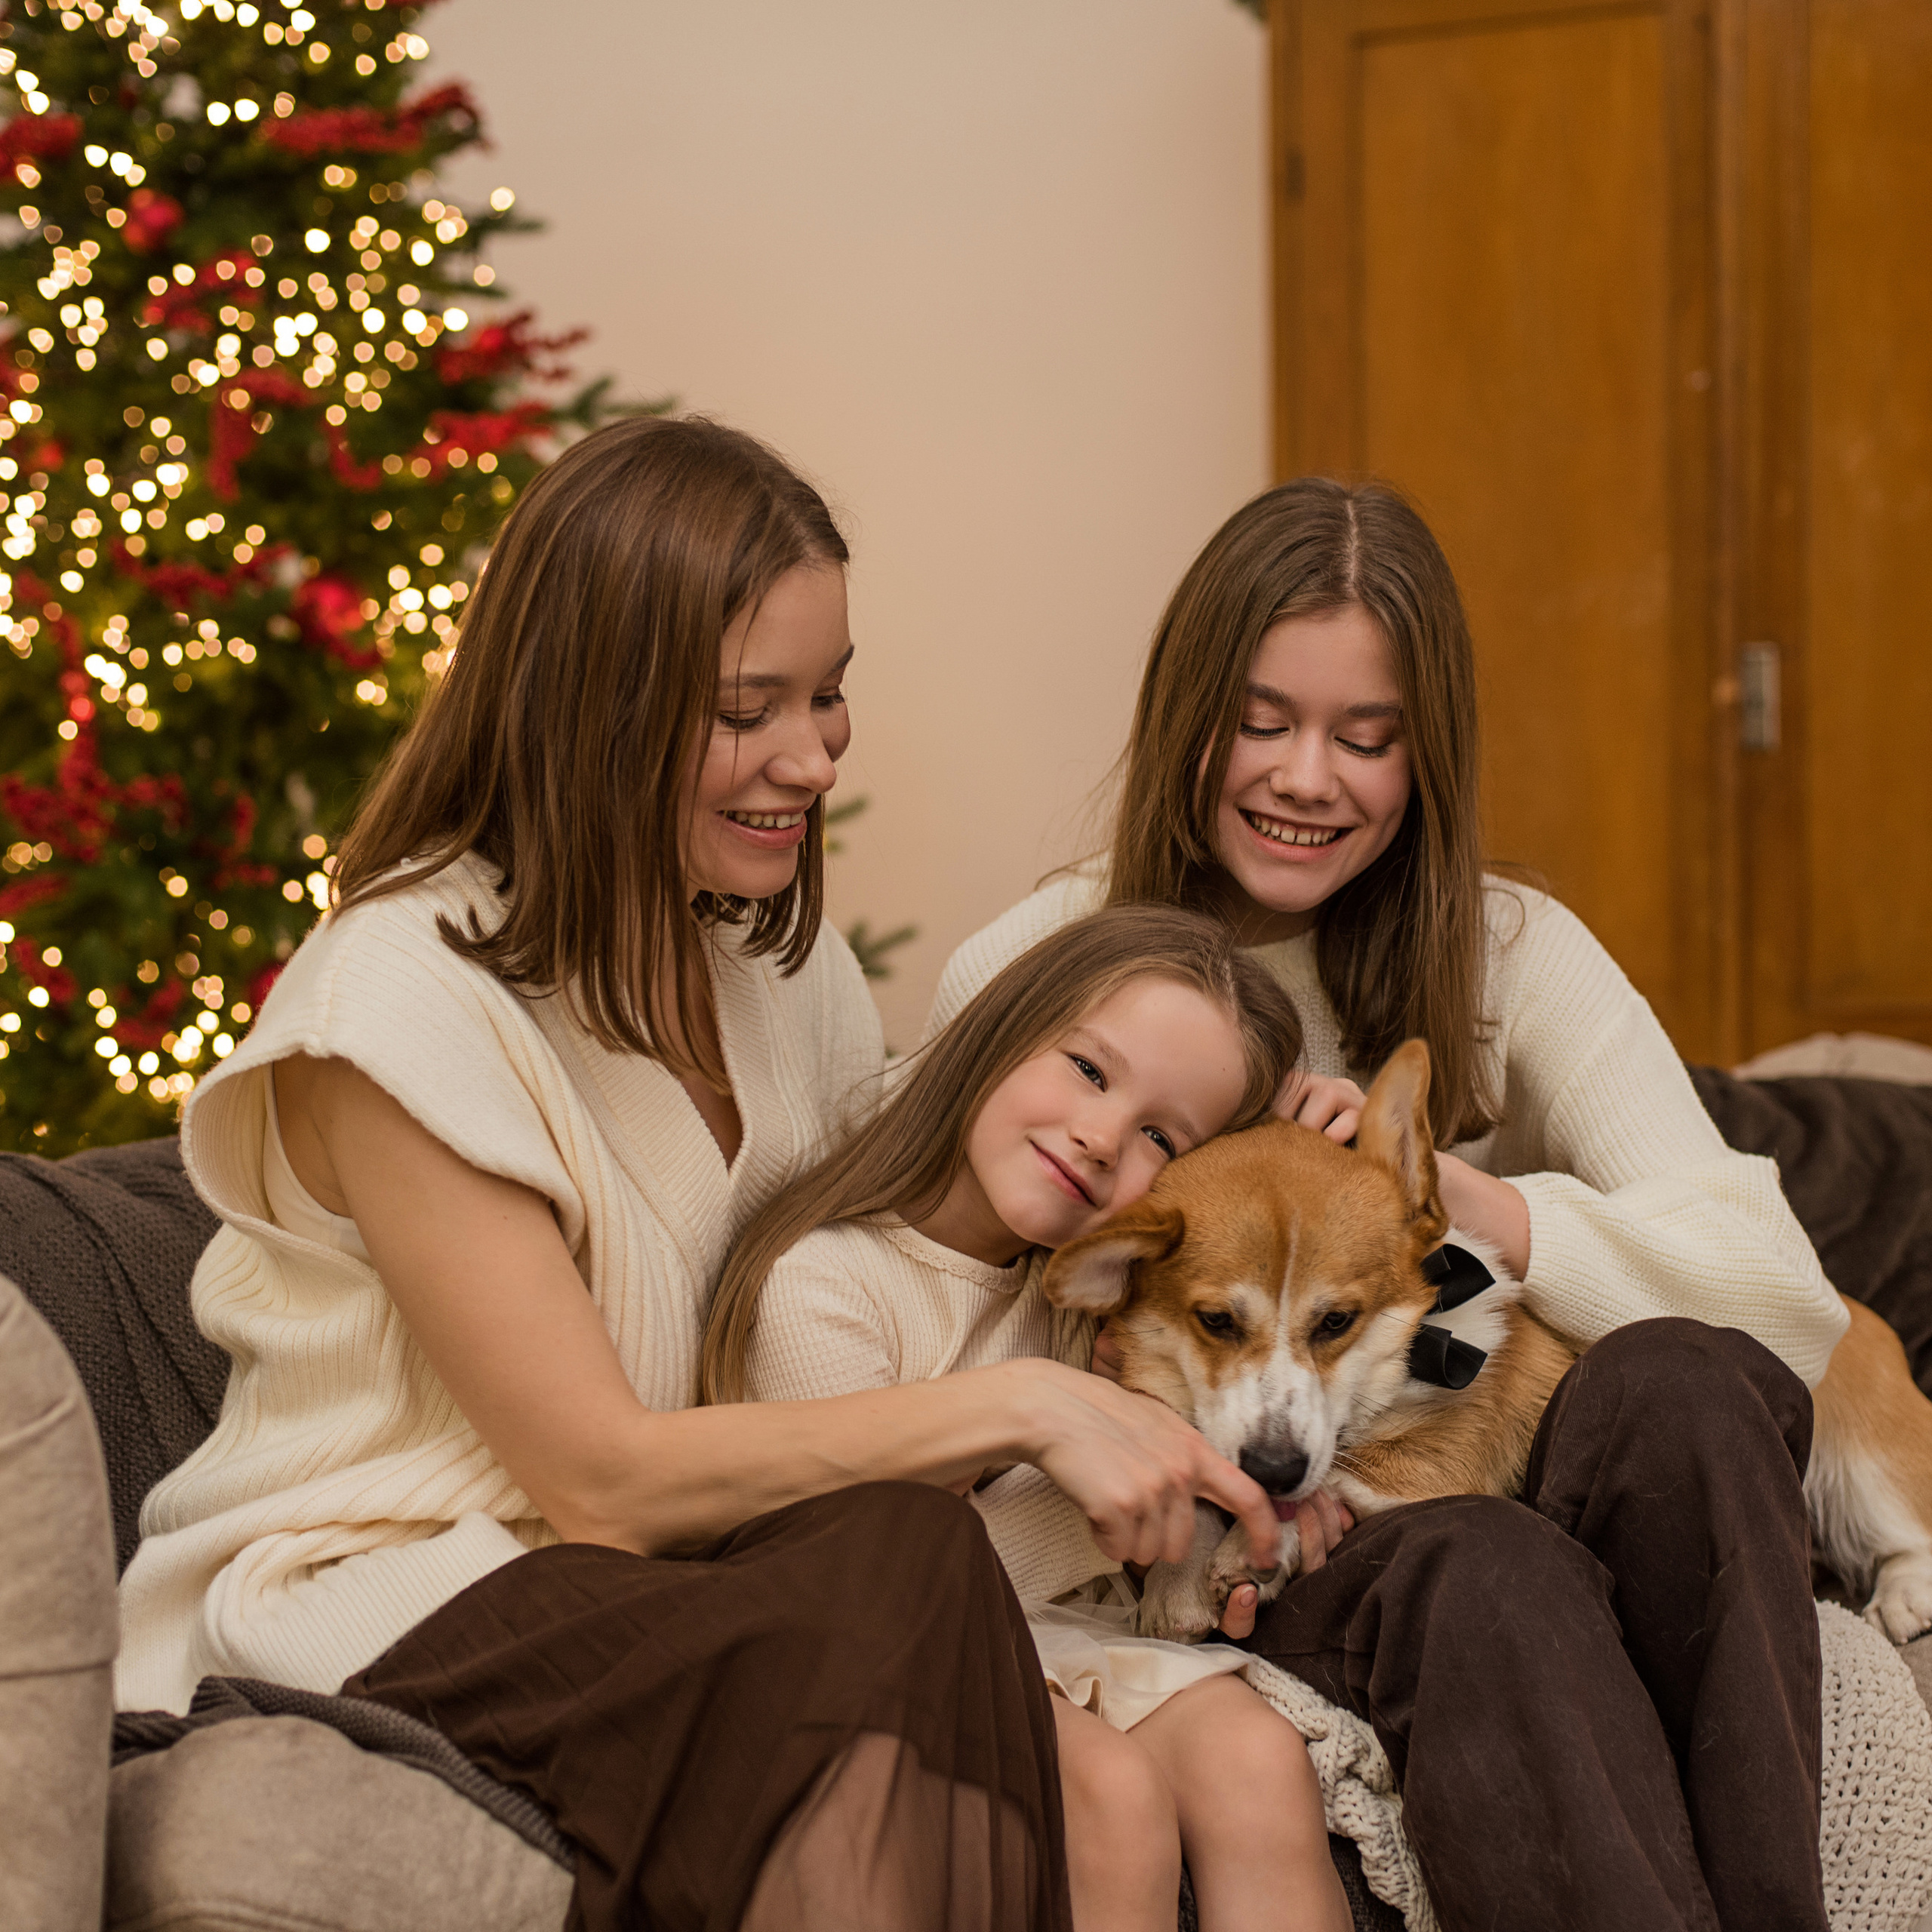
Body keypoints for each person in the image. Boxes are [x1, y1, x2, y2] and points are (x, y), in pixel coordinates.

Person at [111, 416, 1286, 1932]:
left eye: (831, 692)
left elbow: (938, 1199)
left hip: (679, 1576)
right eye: (753, 708)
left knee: (912, 1557)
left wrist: (1252, 1185)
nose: (814, 756)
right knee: (896, 1558)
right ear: (595, 708)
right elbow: (594, 1479)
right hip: (395, 1586)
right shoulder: (392, 1000)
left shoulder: (766, 969)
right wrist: (1035, 1403)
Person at [926, 478, 1848, 1932]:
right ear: (1188, 713)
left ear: (1426, 758)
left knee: (1685, 1378)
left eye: (1367, 738)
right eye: (1263, 721)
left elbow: (1783, 1306)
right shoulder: (1046, 969)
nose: (1309, 778)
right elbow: (965, 1350)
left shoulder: (1512, 950)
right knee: (1483, 1571)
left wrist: (1457, 1201)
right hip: (1292, 1522)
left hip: (1513, 1418)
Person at [706, 906, 1352, 1932]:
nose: (1102, 1138)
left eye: (1160, 1136)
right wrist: (1153, 1496)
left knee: (1257, 1760)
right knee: (1114, 1798)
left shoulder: (1096, 1294)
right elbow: (887, 1580)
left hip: (1063, 1641)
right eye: (1090, 1072)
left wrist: (1258, 1510)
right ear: (999, 1032)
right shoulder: (827, 1283)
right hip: (896, 1648)